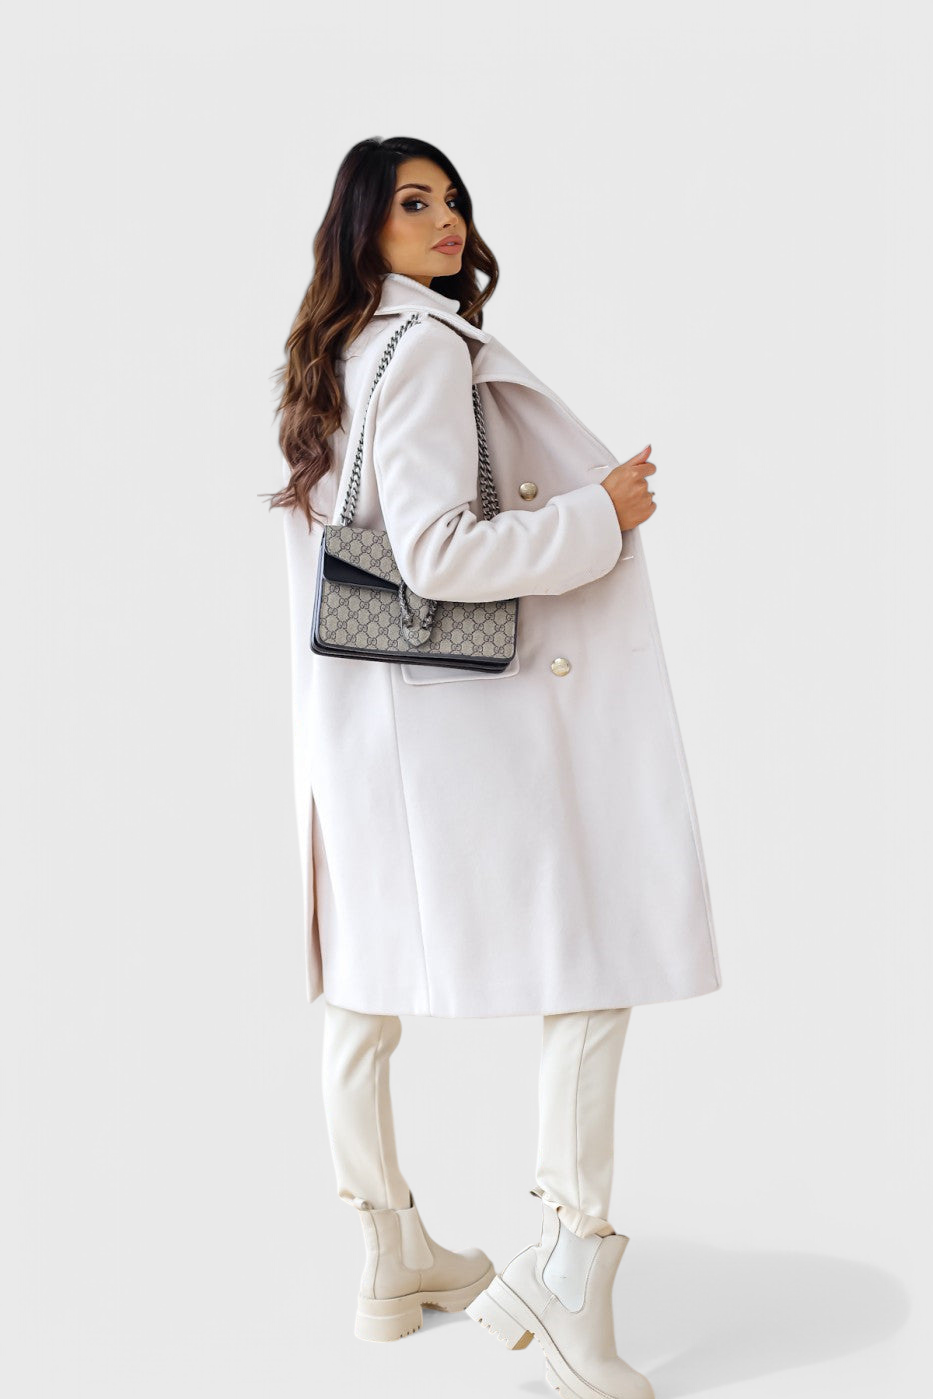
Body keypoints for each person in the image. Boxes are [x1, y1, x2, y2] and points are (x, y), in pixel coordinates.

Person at [268, 135, 722, 1399]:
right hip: (456, 728)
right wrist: (597, 516)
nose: (446, 219)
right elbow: (435, 554)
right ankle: (570, 1265)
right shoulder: (420, 350)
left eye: (454, 199)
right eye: (413, 202)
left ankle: (389, 1251)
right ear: (363, 224)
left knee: (362, 985)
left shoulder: (339, 352)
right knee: (595, 948)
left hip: (369, 727)